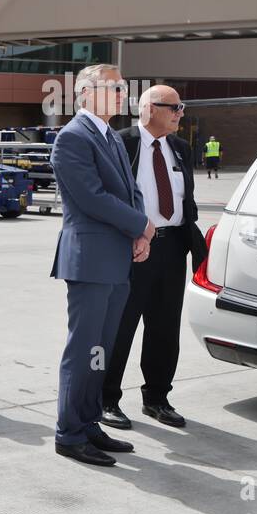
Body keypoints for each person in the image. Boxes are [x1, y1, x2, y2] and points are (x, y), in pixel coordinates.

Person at [50, 64, 155, 467]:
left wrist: (140, 232)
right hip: (91, 261)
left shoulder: (108, 135)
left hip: (116, 260)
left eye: (122, 88)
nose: (121, 94)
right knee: (84, 350)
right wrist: (140, 225)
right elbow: (92, 198)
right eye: (113, 87)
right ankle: (69, 433)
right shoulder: (73, 138)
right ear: (85, 93)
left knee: (101, 349)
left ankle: (89, 422)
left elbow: (132, 190)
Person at [102, 86, 208, 430]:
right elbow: (107, 197)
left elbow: (183, 199)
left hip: (173, 247)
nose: (180, 113)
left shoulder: (180, 148)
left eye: (181, 107)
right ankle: (106, 399)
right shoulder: (120, 143)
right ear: (148, 108)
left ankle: (157, 398)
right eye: (174, 107)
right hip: (132, 249)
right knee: (120, 327)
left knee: (164, 328)